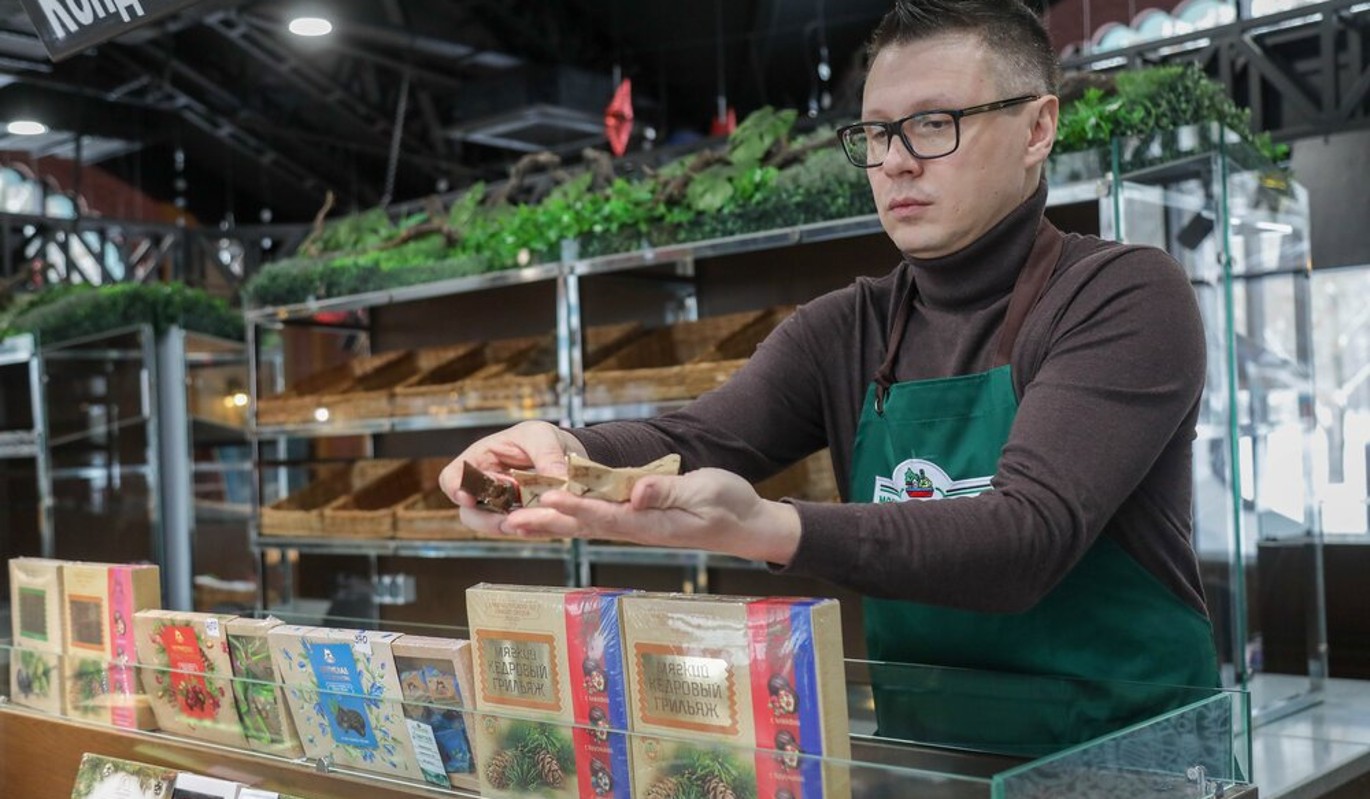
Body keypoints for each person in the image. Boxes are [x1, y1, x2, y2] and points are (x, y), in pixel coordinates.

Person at [441, 0, 1220, 754]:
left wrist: (768, 527)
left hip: (1130, 752)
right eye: (878, 132)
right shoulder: (846, 329)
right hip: (936, 753)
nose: (897, 160)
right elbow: (693, 439)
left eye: (934, 124)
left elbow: (1024, 538)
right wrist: (555, 443)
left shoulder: (1125, 295)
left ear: (1037, 128)